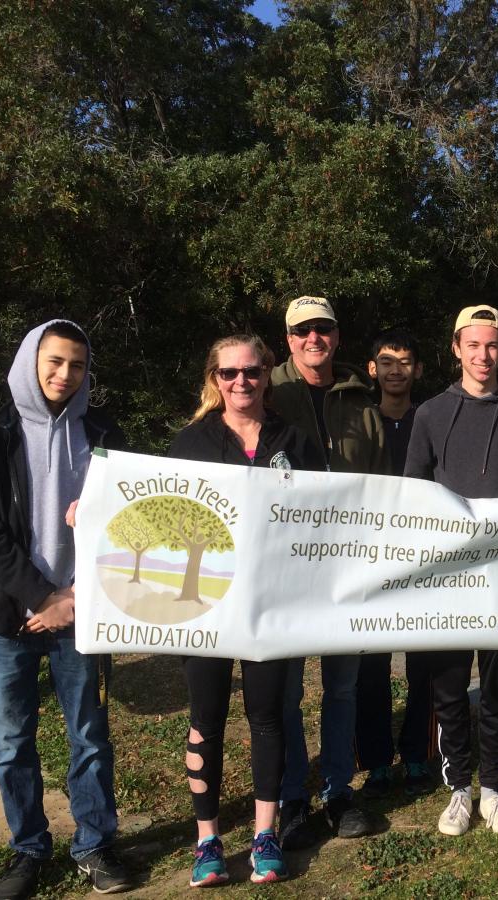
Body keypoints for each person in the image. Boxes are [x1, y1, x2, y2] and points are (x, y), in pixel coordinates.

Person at [0, 320, 132, 899]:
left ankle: (95, 845)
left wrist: (77, 597)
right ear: (31, 361)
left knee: (88, 734)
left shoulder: (103, 432)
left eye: (77, 365)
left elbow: (129, 520)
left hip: (85, 610)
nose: (64, 375)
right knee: (12, 742)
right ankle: (28, 849)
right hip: (8, 616)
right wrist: (44, 596)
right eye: (54, 361)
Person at [169, 334, 324, 886]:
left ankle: (265, 833)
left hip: (271, 604)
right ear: (214, 378)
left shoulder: (295, 440)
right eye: (229, 373)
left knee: (267, 716)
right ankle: (207, 840)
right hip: (206, 605)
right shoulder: (191, 443)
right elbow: (161, 516)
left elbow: (326, 518)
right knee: (205, 721)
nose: (241, 382)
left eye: (252, 372)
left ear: (267, 376)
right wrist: (88, 512)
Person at [405, 305, 498, 836]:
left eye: (492, 345)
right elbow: (414, 492)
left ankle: (493, 786)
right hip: (447, 577)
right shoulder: (428, 414)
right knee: (449, 689)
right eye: (473, 345)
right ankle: (458, 788)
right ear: (455, 348)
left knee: (495, 687)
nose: (483, 355)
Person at [268, 295, 388, 842]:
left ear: (337, 337)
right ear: (288, 338)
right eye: (302, 331)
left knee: (342, 688)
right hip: (285, 567)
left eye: (323, 329)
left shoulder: (362, 400)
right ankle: (292, 797)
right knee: (287, 691)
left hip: (348, 566)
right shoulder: (264, 389)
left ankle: (338, 791)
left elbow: (389, 486)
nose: (313, 338)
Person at [356, 329, 435, 798]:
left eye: (405, 362)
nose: (395, 370)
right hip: (370, 560)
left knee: (424, 665)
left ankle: (419, 756)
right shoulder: (358, 423)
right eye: (386, 362)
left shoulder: (432, 420)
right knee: (371, 668)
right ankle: (376, 760)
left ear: (418, 370)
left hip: (424, 561)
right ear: (373, 369)